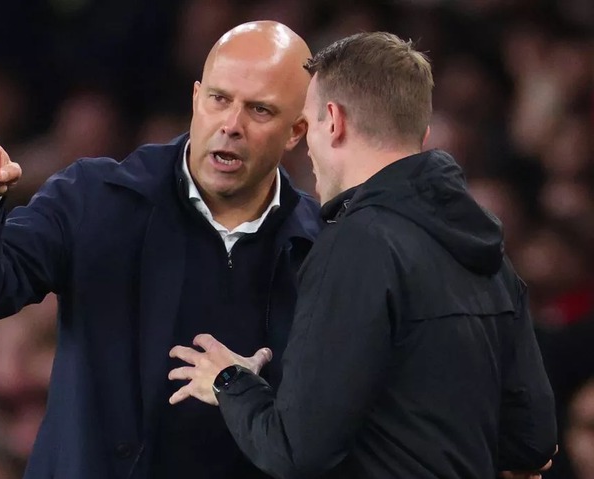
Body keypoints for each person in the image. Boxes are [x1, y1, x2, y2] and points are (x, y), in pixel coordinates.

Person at [0, 21, 321, 479]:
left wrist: (252, 392)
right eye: (219, 99)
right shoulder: (96, 197)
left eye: (259, 110)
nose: (231, 126)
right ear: (196, 99)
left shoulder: (319, 247)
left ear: (296, 131)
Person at [168, 32, 558, 478]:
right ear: (421, 133)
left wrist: (229, 383)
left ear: (333, 121)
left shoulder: (356, 245)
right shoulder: (488, 254)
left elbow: (297, 451)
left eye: (310, 123)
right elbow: (533, 440)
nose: (307, 146)